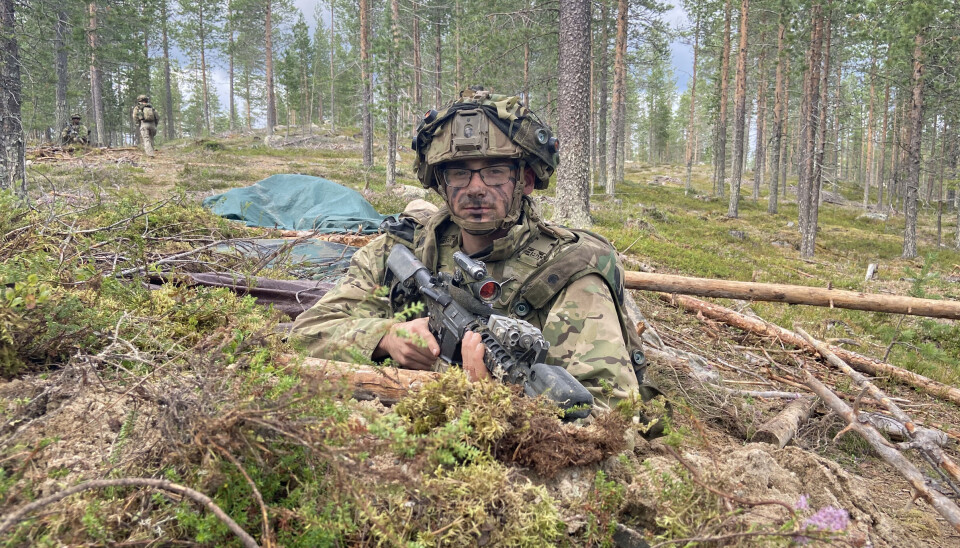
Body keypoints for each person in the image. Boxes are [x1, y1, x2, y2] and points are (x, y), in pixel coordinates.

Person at [292, 89, 647, 410]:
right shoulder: (404, 247)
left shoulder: (568, 274)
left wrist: (501, 403)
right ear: (441, 183)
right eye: (459, 173)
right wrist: (386, 337)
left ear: (524, 180)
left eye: (494, 172)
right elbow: (308, 332)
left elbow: (613, 415)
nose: (476, 189)